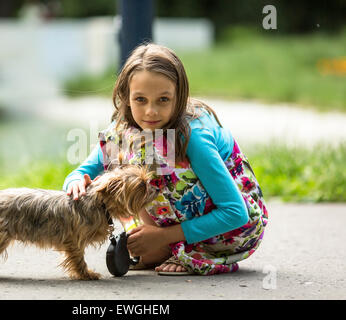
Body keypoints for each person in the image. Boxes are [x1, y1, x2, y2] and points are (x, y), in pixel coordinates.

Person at [62, 43, 268, 275]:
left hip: (231, 231)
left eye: (163, 100)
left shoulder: (194, 137)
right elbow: (80, 173)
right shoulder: (122, 129)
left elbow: (235, 213)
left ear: (178, 98)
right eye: (141, 99)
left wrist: (163, 236)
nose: (151, 112)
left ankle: (182, 248)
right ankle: (162, 246)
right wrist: (76, 183)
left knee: (161, 156)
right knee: (122, 152)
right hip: (181, 218)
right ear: (126, 97)